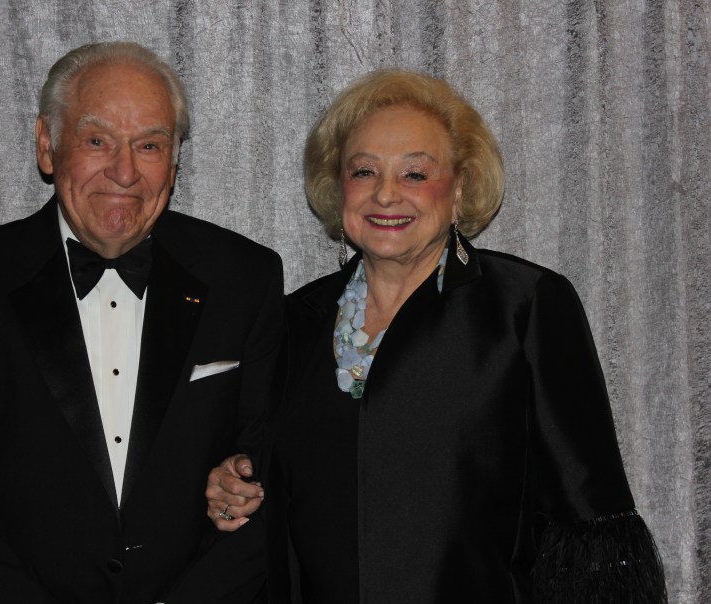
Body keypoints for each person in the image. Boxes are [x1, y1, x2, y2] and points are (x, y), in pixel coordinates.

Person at [206, 70, 667, 602]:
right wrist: (232, 483)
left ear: (460, 188)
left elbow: (589, 519)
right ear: (338, 186)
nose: (385, 194)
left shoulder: (525, 305)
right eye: (364, 171)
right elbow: (266, 475)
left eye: (415, 174)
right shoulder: (294, 320)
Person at [0, 41, 282, 603]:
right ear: (46, 146)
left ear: (174, 162)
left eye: (149, 145)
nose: (124, 171)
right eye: (97, 140)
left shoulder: (245, 278)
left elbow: (275, 472)